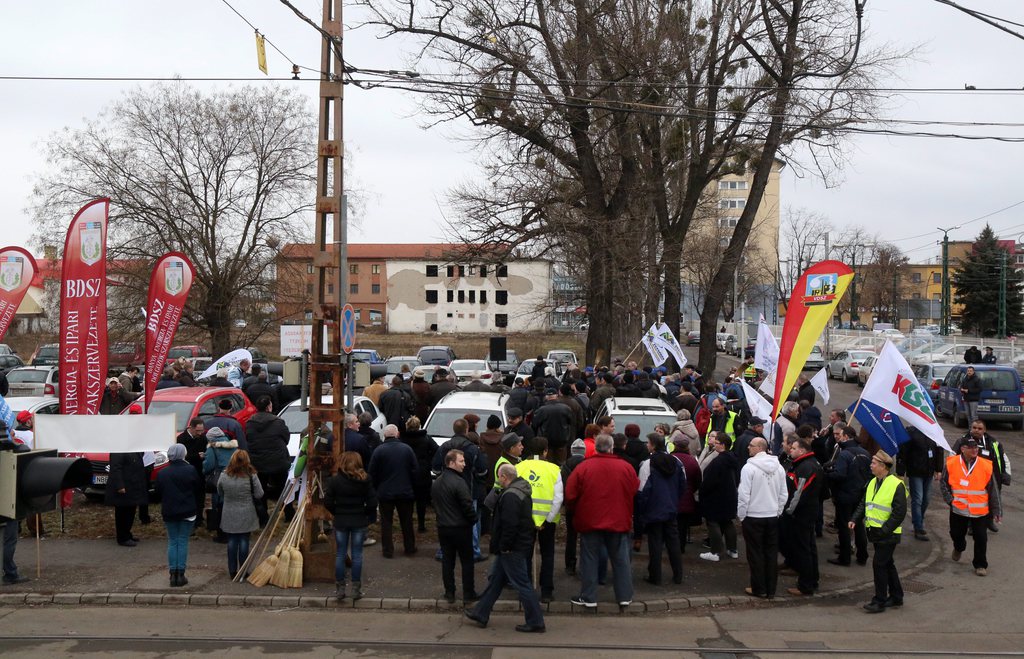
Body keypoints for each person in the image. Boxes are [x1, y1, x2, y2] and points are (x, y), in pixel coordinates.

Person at [465, 464, 546, 633]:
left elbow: (510, 524)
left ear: (504, 477)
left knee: (522, 584)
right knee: (496, 580)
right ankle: (481, 612)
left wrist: (506, 546)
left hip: (512, 547)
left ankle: (536, 621)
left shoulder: (510, 496)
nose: (498, 481)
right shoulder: (520, 490)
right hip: (517, 545)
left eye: (499, 477)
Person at [565, 434, 640, 609]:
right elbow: (635, 488)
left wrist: (576, 509)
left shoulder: (584, 468)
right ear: (612, 447)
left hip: (590, 520)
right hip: (619, 520)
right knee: (621, 559)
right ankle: (624, 595)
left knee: (589, 559)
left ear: (595, 447)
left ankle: (589, 596)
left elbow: (570, 494)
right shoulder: (626, 467)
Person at [852, 450, 907, 613]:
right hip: (875, 532)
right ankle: (897, 596)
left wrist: (884, 530)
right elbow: (864, 503)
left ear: (883, 466)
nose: (871, 465)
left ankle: (879, 600)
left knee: (879, 565)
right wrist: (854, 518)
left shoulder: (896, 484)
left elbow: (899, 513)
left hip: (888, 534)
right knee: (888, 564)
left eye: (874, 463)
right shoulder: (873, 482)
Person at [941, 436, 1002, 577]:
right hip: (958, 509)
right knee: (956, 534)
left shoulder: (985, 465)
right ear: (963, 449)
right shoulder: (952, 463)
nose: (975, 450)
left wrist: (997, 510)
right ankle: (959, 547)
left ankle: (980, 564)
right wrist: (950, 500)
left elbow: (993, 490)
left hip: (980, 511)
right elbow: (944, 483)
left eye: (976, 448)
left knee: (981, 537)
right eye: (971, 448)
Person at [737, 437, 788, 599]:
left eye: (751, 445)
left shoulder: (748, 468)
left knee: (755, 553)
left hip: (753, 516)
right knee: (771, 553)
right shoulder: (779, 468)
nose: (748, 448)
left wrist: (742, 515)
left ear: (760, 447)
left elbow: (743, 494)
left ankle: (758, 587)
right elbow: (783, 494)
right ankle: (771, 588)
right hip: (772, 516)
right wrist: (777, 510)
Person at [433, 418, 489, 561]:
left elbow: (435, 468)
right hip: (469, 490)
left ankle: (443, 551)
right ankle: (474, 551)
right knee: (472, 521)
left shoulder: (444, 447)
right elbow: (483, 471)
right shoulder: (473, 448)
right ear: (466, 430)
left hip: (447, 490)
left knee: (445, 520)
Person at [324, 452, 378, 600]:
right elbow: (373, 502)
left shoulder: (335, 481)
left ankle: (340, 588)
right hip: (359, 520)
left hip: (341, 520)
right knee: (357, 555)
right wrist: (365, 513)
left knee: (340, 554)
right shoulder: (365, 480)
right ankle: (356, 588)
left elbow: (328, 502)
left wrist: (337, 512)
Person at [516, 437, 564, 602]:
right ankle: (547, 592)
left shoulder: (519, 467)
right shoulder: (554, 470)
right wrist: (547, 519)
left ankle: (525, 590)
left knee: (524, 555)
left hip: (524, 520)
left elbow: (513, 495)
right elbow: (558, 498)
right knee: (548, 554)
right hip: (546, 522)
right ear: (545, 451)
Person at [637, 433, 685, 585]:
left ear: (652, 445)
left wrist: (641, 511)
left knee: (655, 544)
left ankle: (655, 576)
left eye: (648, 443)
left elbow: (643, 490)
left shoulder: (647, 464)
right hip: (671, 507)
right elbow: (683, 485)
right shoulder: (677, 462)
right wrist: (674, 500)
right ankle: (678, 575)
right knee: (673, 542)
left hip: (653, 508)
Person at [432, 449, 479, 603]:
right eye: (461, 461)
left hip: (444, 527)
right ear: (451, 463)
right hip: (461, 528)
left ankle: (449, 593)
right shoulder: (459, 482)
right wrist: (473, 520)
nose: (464, 464)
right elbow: (467, 505)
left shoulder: (438, 481)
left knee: (448, 561)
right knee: (467, 561)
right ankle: (468, 593)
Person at [368, 424, 419, 558]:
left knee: (386, 522)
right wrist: (413, 486)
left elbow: (372, 473)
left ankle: (387, 550)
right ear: (397, 434)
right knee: (407, 521)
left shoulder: (379, 451)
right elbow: (415, 470)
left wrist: (377, 487)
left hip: (385, 492)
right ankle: (409, 547)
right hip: (405, 491)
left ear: (384, 435)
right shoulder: (407, 449)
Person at [783, 434, 824, 596]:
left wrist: (788, 512)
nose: (790, 451)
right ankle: (812, 579)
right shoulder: (806, 464)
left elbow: (799, 494)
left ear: (802, 450)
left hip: (802, 514)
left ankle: (806, 584)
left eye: (793, 448)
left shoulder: (807, 467)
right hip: (807, 512)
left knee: (804, 549)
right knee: (809, 547)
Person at [155, 444, 202, 586]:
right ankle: (181, 574)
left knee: (172, 541)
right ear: (183, 454)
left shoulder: (162, 473)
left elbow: (158, 492)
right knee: (182, 541)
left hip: (169, 510)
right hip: (188, 510)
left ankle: (172, 574)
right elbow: (198, 489)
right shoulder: (190, 470)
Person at [951, 419, 1009, 533]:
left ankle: (989, 521)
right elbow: (953, 457)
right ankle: (972, 525)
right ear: (971, 428)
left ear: (984, 430)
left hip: (990, 477)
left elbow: (1002, 459)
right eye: (974, 428)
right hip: (970, 479)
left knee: (991, 499)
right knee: (973, 501)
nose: (976, 430)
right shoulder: (962, 441)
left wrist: (1004, 475)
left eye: (980, 428)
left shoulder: (993, 443)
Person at [827, 425, 871, 567]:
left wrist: (827, 474)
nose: (838, 437)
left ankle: (844, 558)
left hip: (845, 495)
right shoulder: (865, 453)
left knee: (844, 526)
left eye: (840, 434)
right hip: (860, 494)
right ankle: (862, 556)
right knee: (858, 525)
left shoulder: (844, 454)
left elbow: (840, 474)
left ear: (846, 436)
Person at [216, 449, 263, 579]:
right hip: (246, 510)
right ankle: (243, 570)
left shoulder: (224, 475)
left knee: (231, 541)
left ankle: (232, 571)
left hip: (229, 511)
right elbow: (260, 494)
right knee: (244, 540)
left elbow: (220, 492)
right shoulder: (251, 475)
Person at [245, 396, 291, 526]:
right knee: (284, 489)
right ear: (268, 407)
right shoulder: (278, 422)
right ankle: (288, 514)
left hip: (258, 462)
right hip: (278, 461)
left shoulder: (250, 423)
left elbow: (249, 439)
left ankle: (263, 518)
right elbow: (286, 438)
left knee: (260, 491)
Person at [897, 426, 944, 541]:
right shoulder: (910, 432)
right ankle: (918, 527)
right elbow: (903, 452)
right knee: (918, 499)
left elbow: (939, 450)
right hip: (915, 472)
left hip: (929, 472)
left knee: (926, 499)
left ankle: (918, 519)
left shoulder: (934, 431)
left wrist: (938, 469)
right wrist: (900, 472)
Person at [699, 432, 740, 562]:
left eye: (716, 443)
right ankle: (733, 549)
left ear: (722, 445)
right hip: (730, 495)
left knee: (713, 522)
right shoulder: (732, 459)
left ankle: (715, 551)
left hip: (716, 497)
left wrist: (702, 492)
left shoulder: (719, 461)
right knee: (728, 522)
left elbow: (709, 481)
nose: (714, 445)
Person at [1, 421, 29, 584]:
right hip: (6, 501)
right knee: (9, 539)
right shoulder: (9, 451)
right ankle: (10, 573)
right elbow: (22, 448)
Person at [400, 416, 436, 533]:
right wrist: (429, 461)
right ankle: (421, 524)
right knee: (422, 501)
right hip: (422, 472)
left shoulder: (402, 439)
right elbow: (436, 449)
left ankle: (407, 524)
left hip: (406, 472)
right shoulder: (425, 438)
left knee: (408, 501)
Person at [203, 426, 239, 544]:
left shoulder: (212, 448)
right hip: (234, 478)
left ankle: (222, 535)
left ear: (212, 439)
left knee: (219, 506)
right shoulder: (234, 447)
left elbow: (209, 465)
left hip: (219, 479)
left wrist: (203, 469)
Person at [106, 448, 148, 547]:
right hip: (124, 486)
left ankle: (127, 534)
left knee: (130, 510)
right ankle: (122, 538)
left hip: (133, 485)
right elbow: (116, 468)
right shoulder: (118, 449)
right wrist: (120, 485)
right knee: (122, 512)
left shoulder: (133, 448)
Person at [561, 439, 587, 576]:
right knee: (586, 537)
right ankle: (585, 565)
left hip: (570, 505)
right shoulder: (587, 465)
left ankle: (569, 565)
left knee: (571, 536)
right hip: (585, 506)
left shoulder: (565, 466)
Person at [176, 418, 207, 530]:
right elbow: (181, 457)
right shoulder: (181, 439)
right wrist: (197, 456)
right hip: (186, 472)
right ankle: (188, 519)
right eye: (198, 431)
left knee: (200, 497)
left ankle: (198, 519)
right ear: (191, 428)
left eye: (202, 430)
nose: (200, 433)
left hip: (199, 472)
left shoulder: (203, 438)